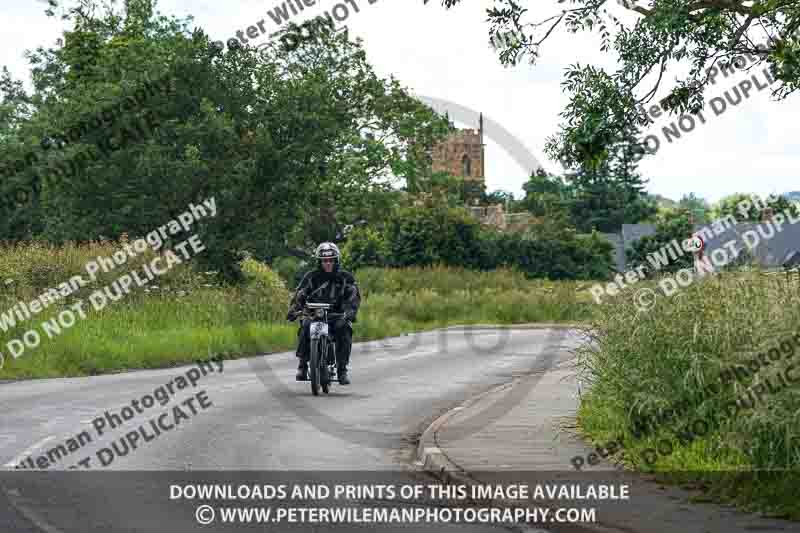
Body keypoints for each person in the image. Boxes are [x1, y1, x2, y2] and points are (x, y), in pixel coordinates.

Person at [286, 242, 361, 384]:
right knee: (305, 326)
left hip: (336, 316)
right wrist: (294, 309)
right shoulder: (311, 277)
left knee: (345, 329)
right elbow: (300, 294)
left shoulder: (346, 277)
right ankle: (302, 365)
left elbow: (354, 296)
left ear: (336, 260)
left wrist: (350, 312)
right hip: (314, 314)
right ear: (319, 262)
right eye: (325, 261)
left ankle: (342, 370)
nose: (328, 263)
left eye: (331, 260)